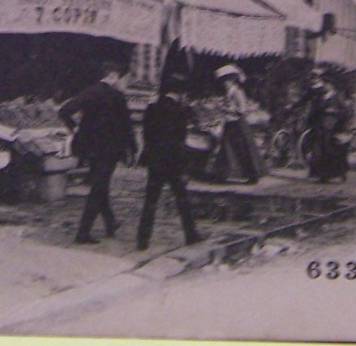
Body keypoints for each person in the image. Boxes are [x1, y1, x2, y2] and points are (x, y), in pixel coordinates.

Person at [59, 60, 135, 244]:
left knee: (100, 184)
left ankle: (110, 222)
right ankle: (83, 233)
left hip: (90, 148)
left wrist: (75, 128)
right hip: (110, 149)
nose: (118, 81)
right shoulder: (117, 96)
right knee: (98, 187)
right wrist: (132, 148)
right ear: (113, 76)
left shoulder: (89, 92)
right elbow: (126, 125)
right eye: (118, 77)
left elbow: (64, 110)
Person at [135, 81, 205, 252]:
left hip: (155, 160)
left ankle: (143, 240)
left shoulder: (152, 108)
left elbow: (146, 134)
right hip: (173, 162)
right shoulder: (180, 111)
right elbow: (181, 140)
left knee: (150, 201)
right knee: (182, 199)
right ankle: (191, 234)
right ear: (180, 93)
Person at [208, 64, 265, 185]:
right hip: (230, 123)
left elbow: (242, 110)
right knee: (226, 149)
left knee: (243, 149)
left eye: (226, 81)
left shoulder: (238, 92)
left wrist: (225, 109)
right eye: (223, 81)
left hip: (238, 124)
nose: (224, 84)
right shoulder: (229, 93)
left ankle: (252, 175)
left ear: (232, 80)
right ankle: (221, 175)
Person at [301, 71, 351, 183]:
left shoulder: (337, 96)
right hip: (321, 127)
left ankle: (340, 173)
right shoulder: (320, 97)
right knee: (319, 151)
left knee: (333, 152)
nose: (324, 85)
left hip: (334, 128)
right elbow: (315, 110)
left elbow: (345, 111)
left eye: (326, 83)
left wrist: (334, 111)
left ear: (331, 85)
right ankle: (323, 175)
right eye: (324, 83)